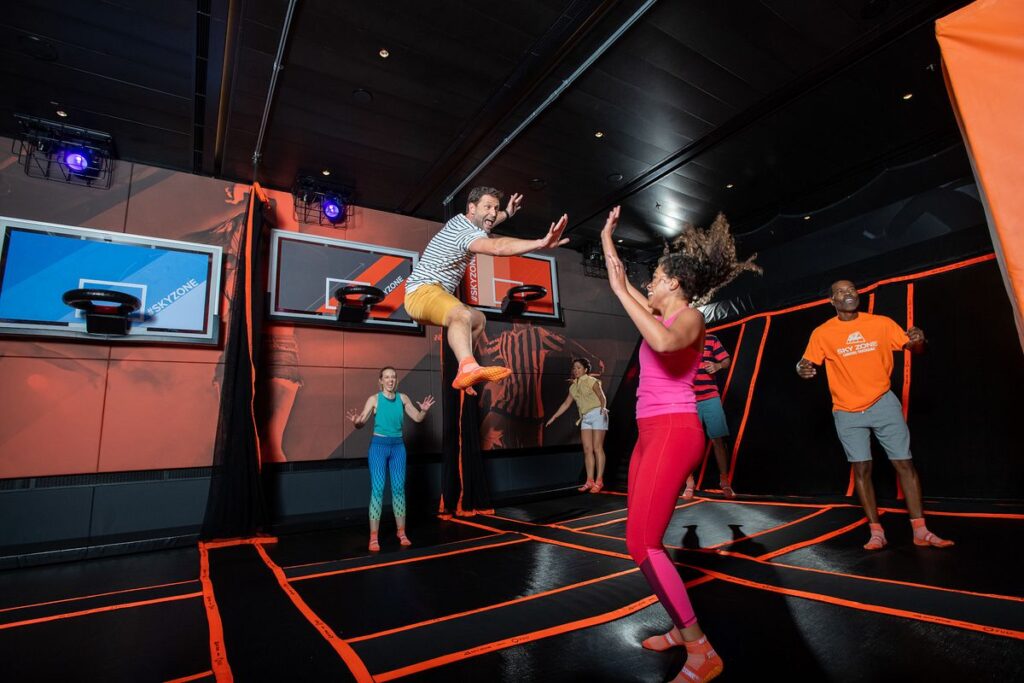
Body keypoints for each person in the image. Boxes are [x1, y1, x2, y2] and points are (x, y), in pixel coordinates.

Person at [602, 208, 760, 683]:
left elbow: (665, 344)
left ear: (672, 282)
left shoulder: (689, 318)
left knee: (642, 543)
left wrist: (623, 295)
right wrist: (607, 238)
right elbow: (621, 283)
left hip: (675, 431)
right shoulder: (658, 308)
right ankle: (679, 627)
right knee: (638, 540)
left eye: (654, 277)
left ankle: (701, 650)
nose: (648, 282)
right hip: (649, 433)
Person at [797, 280, 952, 551]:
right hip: (846, 410)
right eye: (841, 292)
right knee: (862, 468)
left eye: (852, 290)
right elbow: (806, 362)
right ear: (832, 301)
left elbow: (916, 349)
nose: (849, 294)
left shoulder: (881, 323)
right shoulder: (822, 333)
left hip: (883, 403)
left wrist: (919, 340)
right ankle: (876, 532)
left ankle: (921, 530)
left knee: (904, 463)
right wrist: (801, 368)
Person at [403, 187, 568, 395]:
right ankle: (467, 368)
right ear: (472, 208)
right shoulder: (465, 234)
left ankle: (466, 371)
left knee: (478, 319)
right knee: (461, 314)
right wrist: (540, 242)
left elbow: (488, 220)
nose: (492, 213)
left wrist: (506, 213)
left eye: (495, 208)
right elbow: (498, 248)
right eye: (487, 207)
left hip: (434, 295)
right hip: (421, 293)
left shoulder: (463, 219)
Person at [347, 367, 435, 551]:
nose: (390, 380)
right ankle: (373, 538)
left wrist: (424, 411)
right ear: (381, 380)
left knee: (398, 490)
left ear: (396, 380)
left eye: (393, 377)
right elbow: (361, 423)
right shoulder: (374, 399)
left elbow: (418, 418)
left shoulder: (403, 398)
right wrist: (356, 421)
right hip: (379, 447)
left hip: (398, 448)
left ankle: (401, 532)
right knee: (377, 490)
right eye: (387, 377)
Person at [544, 358, 609, 492]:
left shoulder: (592, 381)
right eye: (574, 368)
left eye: (579, 368)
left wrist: (603, 408)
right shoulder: (573, 386)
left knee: (597, 448)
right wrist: (554, 417)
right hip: (585, 417)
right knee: (587, 449)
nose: (576, 370)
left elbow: (602, 397)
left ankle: (599, 481)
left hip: (597, 413)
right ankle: (589, 481)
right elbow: (566, 404)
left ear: (585, 369)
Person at [683, 334, 734, 498]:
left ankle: (724, 481)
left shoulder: (711, 339)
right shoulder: (682, 340)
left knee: (718, 439)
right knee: (689, 442)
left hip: (711, 397)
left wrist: (718, 365)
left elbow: (726, 360)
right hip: (689, 400)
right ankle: (689, 481)